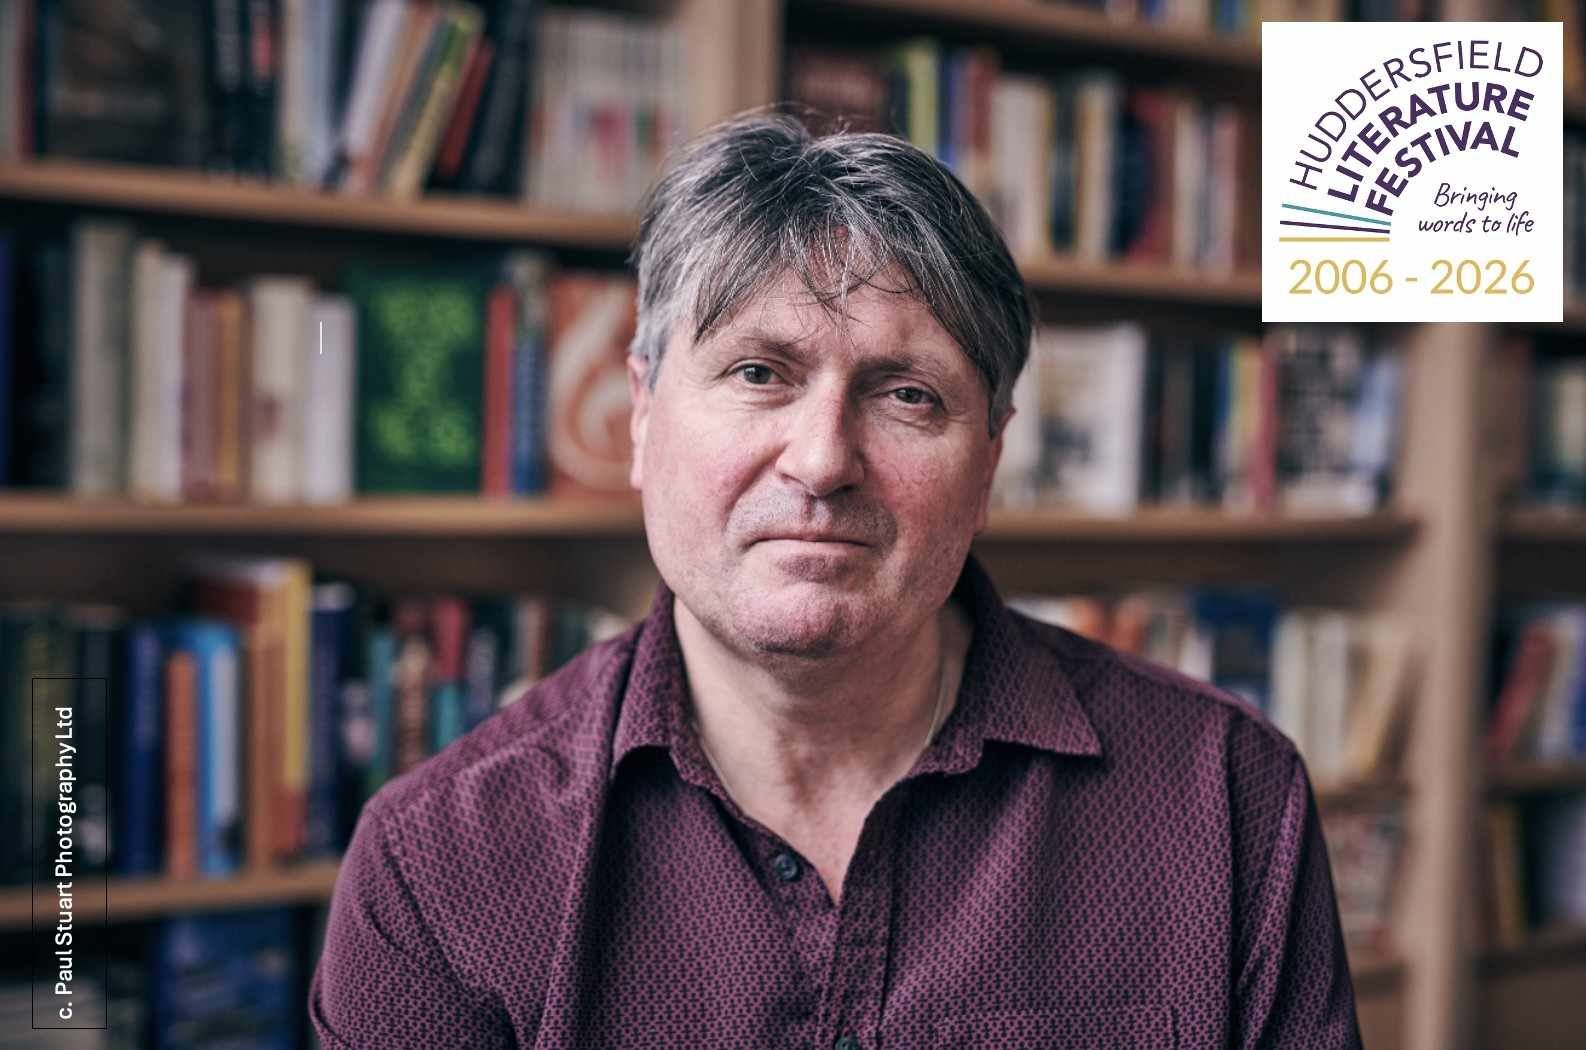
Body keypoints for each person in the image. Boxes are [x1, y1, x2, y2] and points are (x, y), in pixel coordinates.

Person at [309, 112, 1364, 1049]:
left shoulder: (1223, 803)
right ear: (641, 415)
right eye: (758, 374)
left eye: (906, 395)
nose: (821, 460)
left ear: (987, 459)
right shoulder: (438, 870)